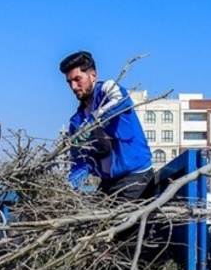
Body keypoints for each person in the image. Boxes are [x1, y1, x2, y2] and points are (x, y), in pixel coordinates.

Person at [60, 50, 154, 200]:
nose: (73, 86)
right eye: (69, 82)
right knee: (89, 220)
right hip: (109, 181)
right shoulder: (76, 122)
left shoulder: (109, 90)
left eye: (77, 79)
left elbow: (120, 102)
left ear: (93, 76)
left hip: (136, 176)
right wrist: (68, 188)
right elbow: (81, 161)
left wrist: (90, 123)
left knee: (115, 222)